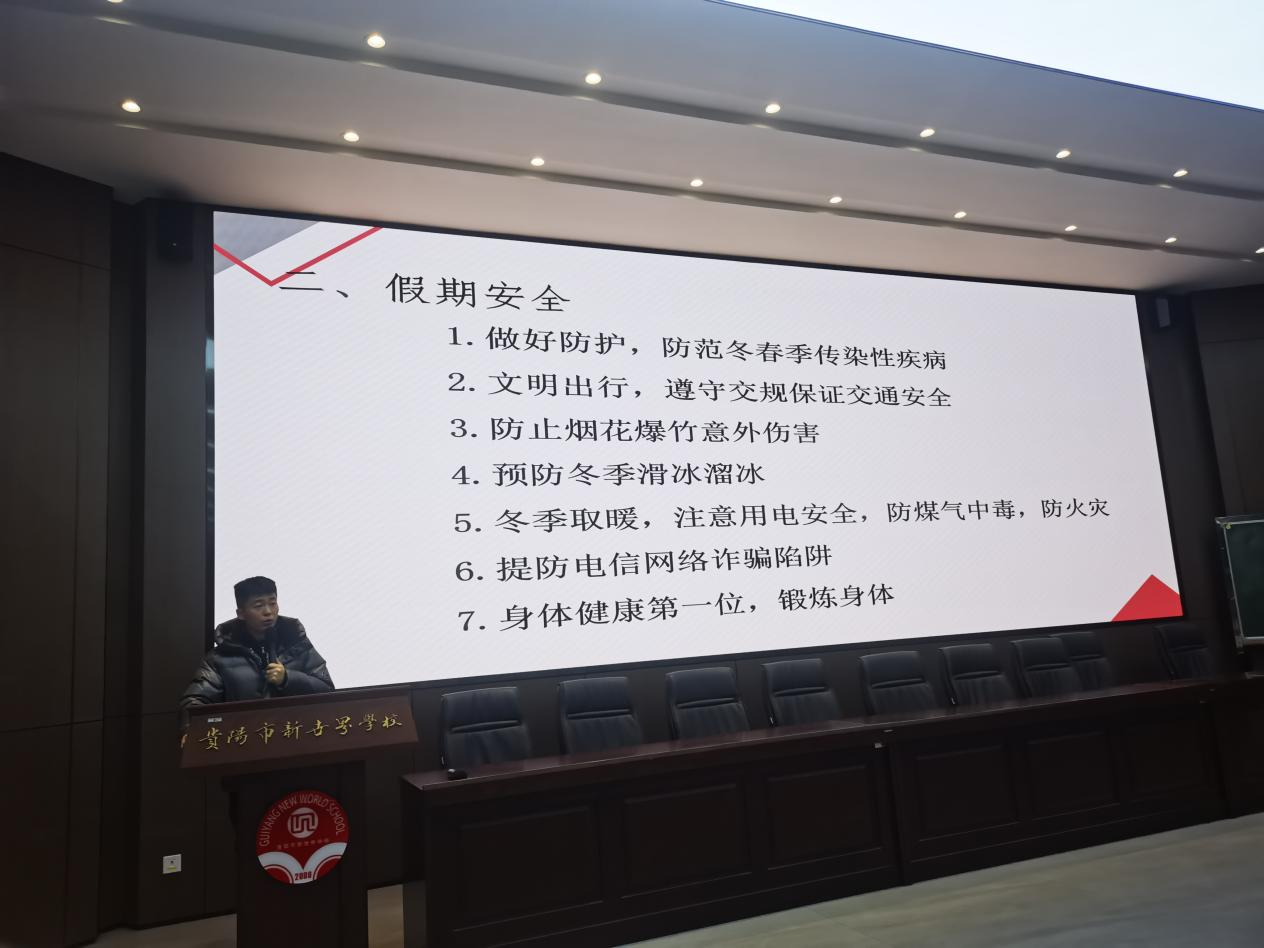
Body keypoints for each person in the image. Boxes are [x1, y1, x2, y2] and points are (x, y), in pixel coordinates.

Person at [180, 576, 334, 734]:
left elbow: (326, 689)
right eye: (258, 605)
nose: (268, 612)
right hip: (246, 739)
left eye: (272, 603)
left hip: (295, 735)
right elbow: (194, 702)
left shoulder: (297, 644)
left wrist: (288, 679)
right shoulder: (220, 657)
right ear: (241, 613)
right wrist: (190, 732)